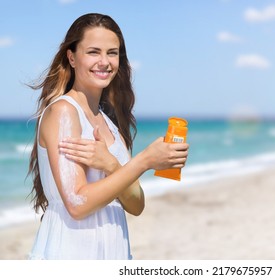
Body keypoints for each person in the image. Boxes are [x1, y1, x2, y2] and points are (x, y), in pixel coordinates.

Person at [27, 13, 189, 260]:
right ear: (71, 57)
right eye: (93, 52)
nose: (104, 61)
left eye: (112, 53)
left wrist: (112, 165)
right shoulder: (64, 112)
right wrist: (144, 161)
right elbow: (77, 204)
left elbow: (136, 205)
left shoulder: (110, 123)